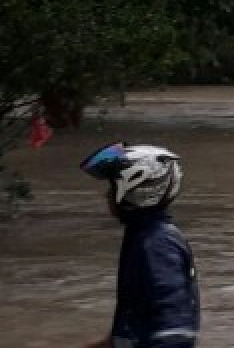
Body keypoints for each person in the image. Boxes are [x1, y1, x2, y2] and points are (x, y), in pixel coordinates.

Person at [79, 142, 200, 348]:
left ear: (135, 191)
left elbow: (174, 329)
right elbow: (133, 320)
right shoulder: (144, 235)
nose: (107, 195)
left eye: (113, 186)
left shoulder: (157, 244)